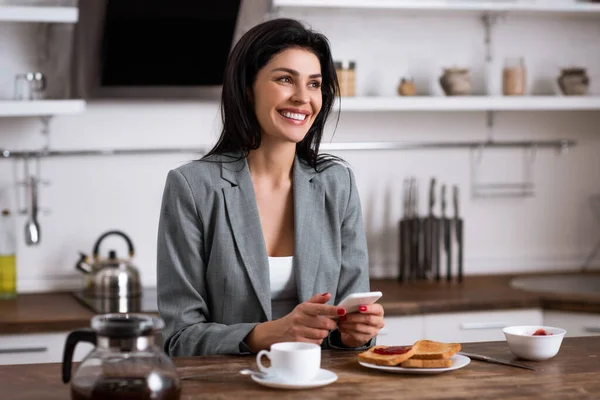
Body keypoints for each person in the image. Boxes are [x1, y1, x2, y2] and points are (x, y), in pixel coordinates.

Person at [157, 18, 384, 356]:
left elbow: (349, 326)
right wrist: (268, 334)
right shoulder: (192, 187)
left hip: (319, 385)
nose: (302, 97)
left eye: (314, 84)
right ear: (247, 87)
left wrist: (357, 334)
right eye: (284, 79)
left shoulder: (338, 183)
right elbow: (179, 339)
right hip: (228, 388)